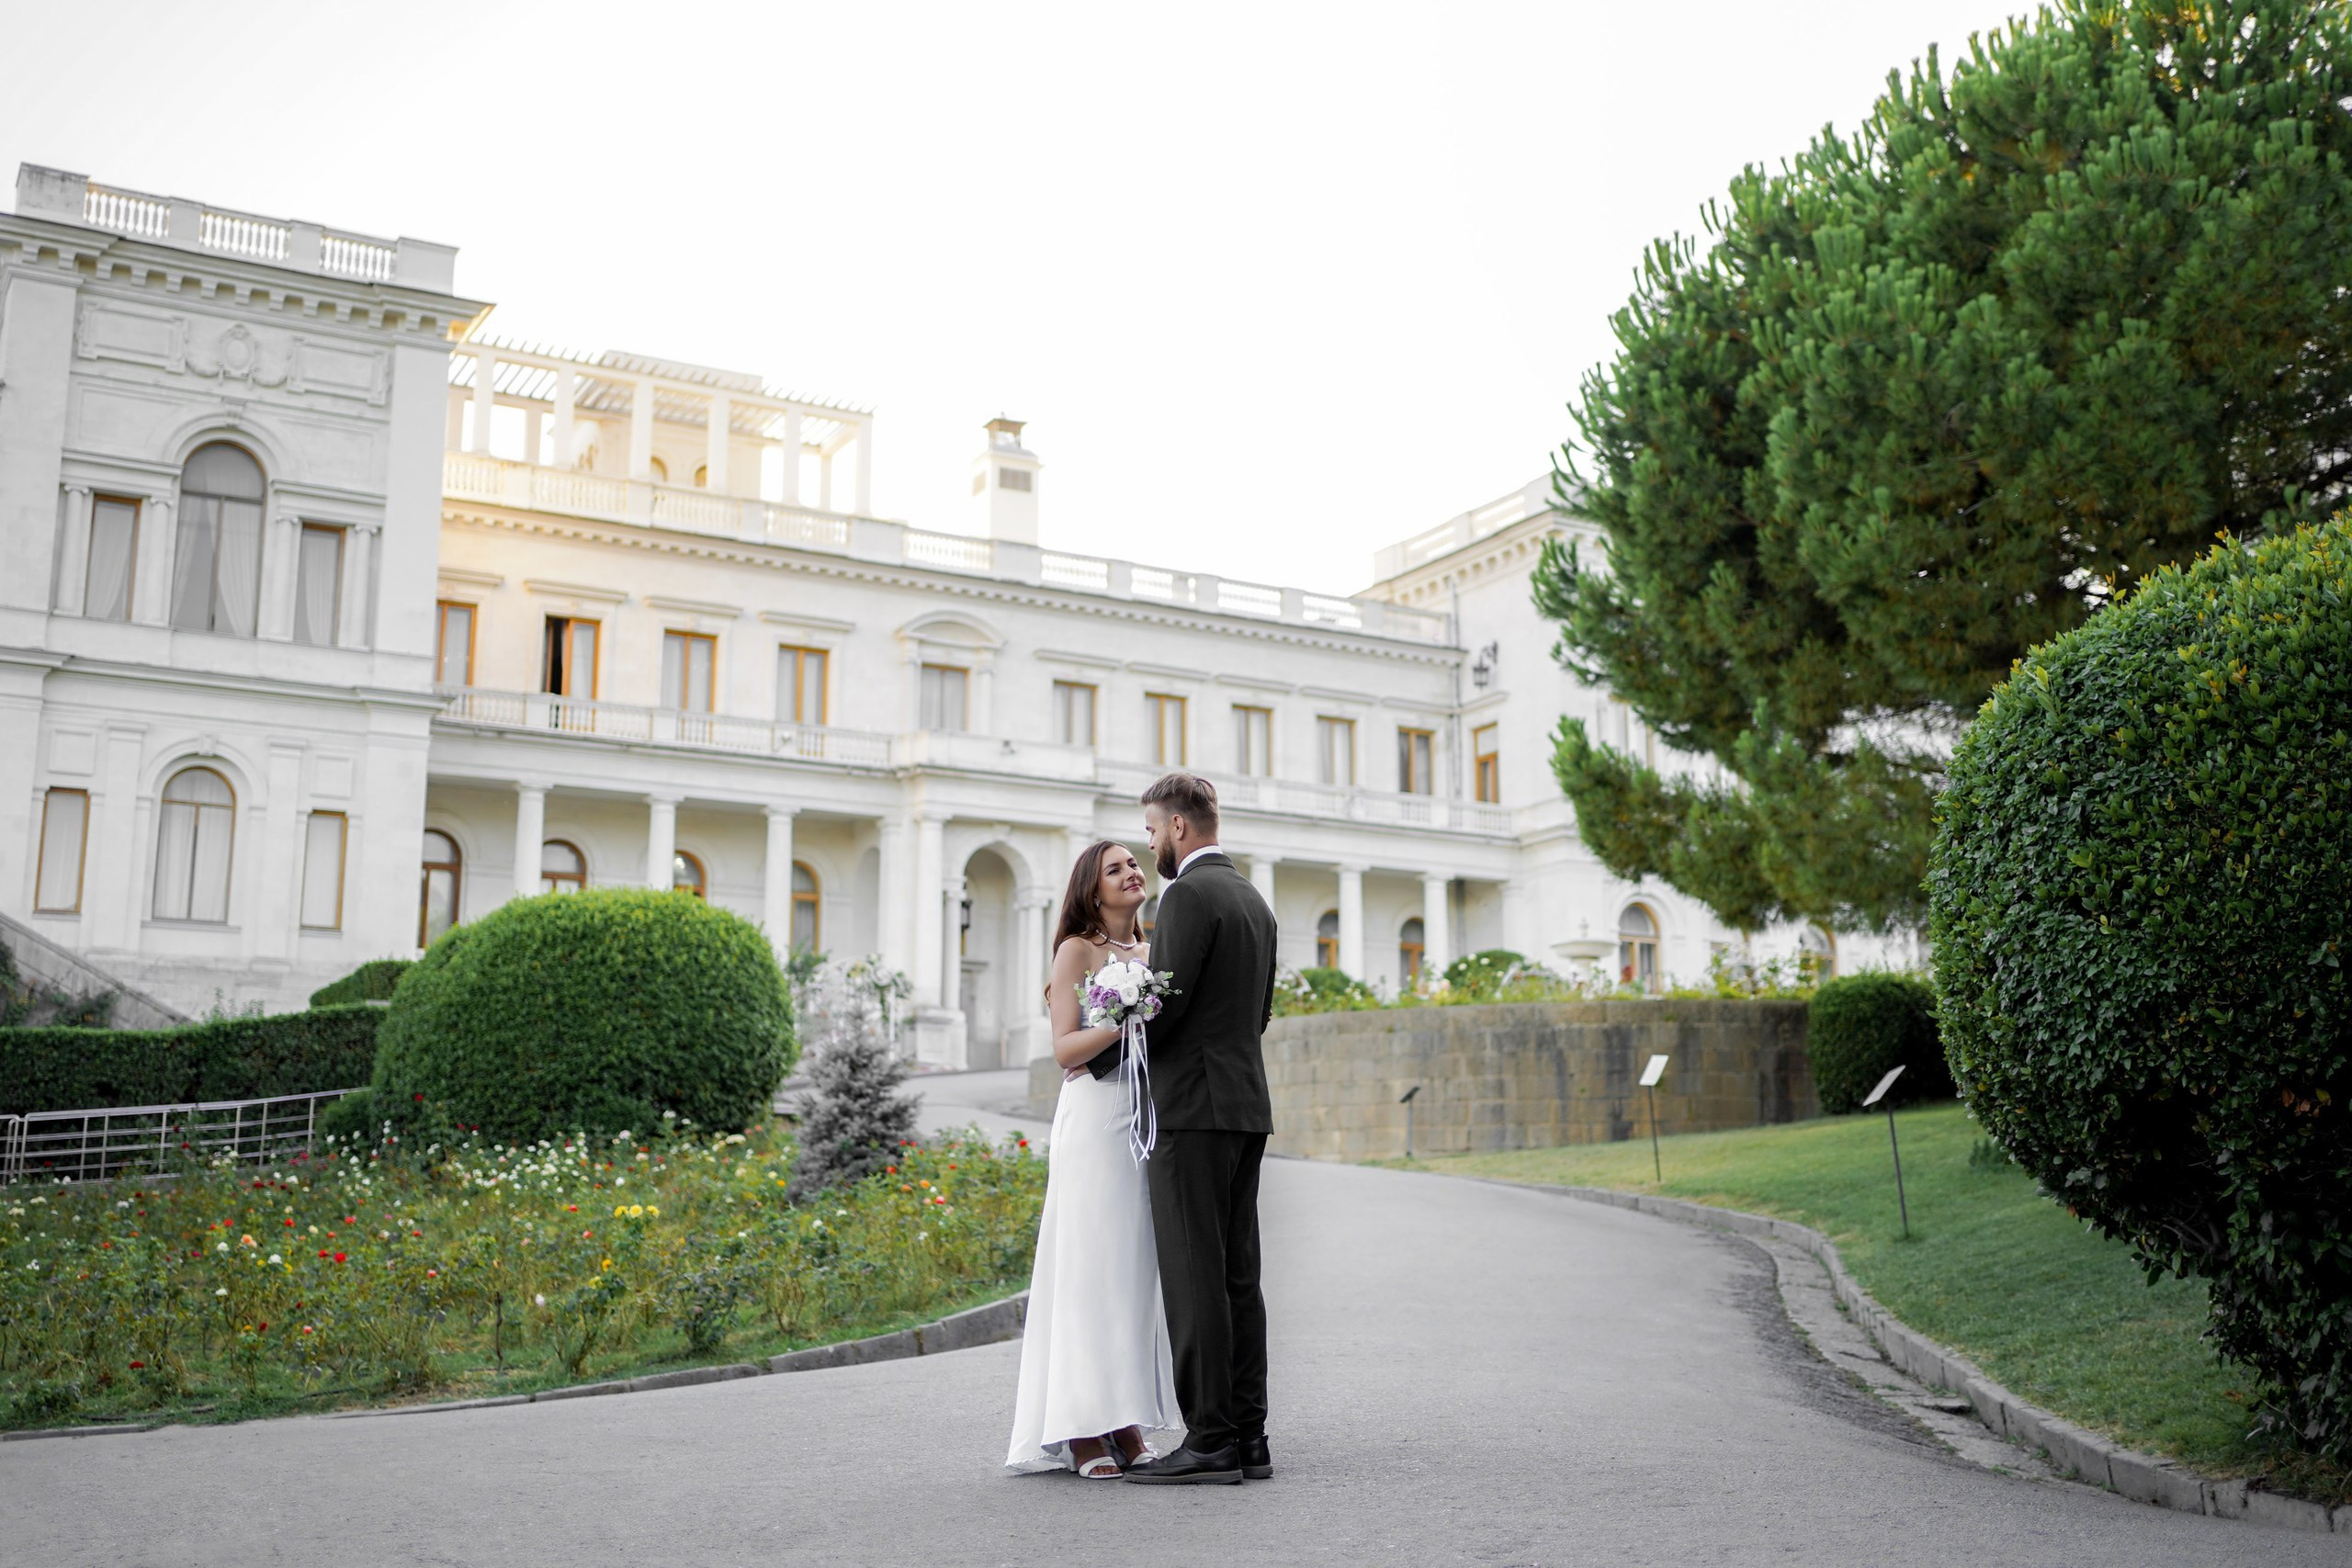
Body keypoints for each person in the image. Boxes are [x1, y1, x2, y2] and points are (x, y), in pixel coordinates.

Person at [1088, 772, 1280, 1486]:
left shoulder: (1190, 895)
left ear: (1177, 828)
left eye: (1149, 831)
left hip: (1192, 1109)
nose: (1149, 845)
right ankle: (1250, 1436)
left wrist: (1112, 1043)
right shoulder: (1252, 898)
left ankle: (1208, 1437)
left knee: (1194, 1272)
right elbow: (1258, 1011)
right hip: (1244, 1105)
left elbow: (1162, 1009)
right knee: (1237, 1275)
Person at [1003, 840, 1179, 1478]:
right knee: (1087, 1267)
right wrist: (1129, 1014)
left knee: (1130, 1271)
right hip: (1094, 1119)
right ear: (1092, 888)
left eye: (1134, 862)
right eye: (1115, 868)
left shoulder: (1154, 952)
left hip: (1144, 1117)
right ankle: (1081, 1427)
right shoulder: (1077, 949)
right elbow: (1065, 1048)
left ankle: (1125, 1418)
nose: (1131, 872)